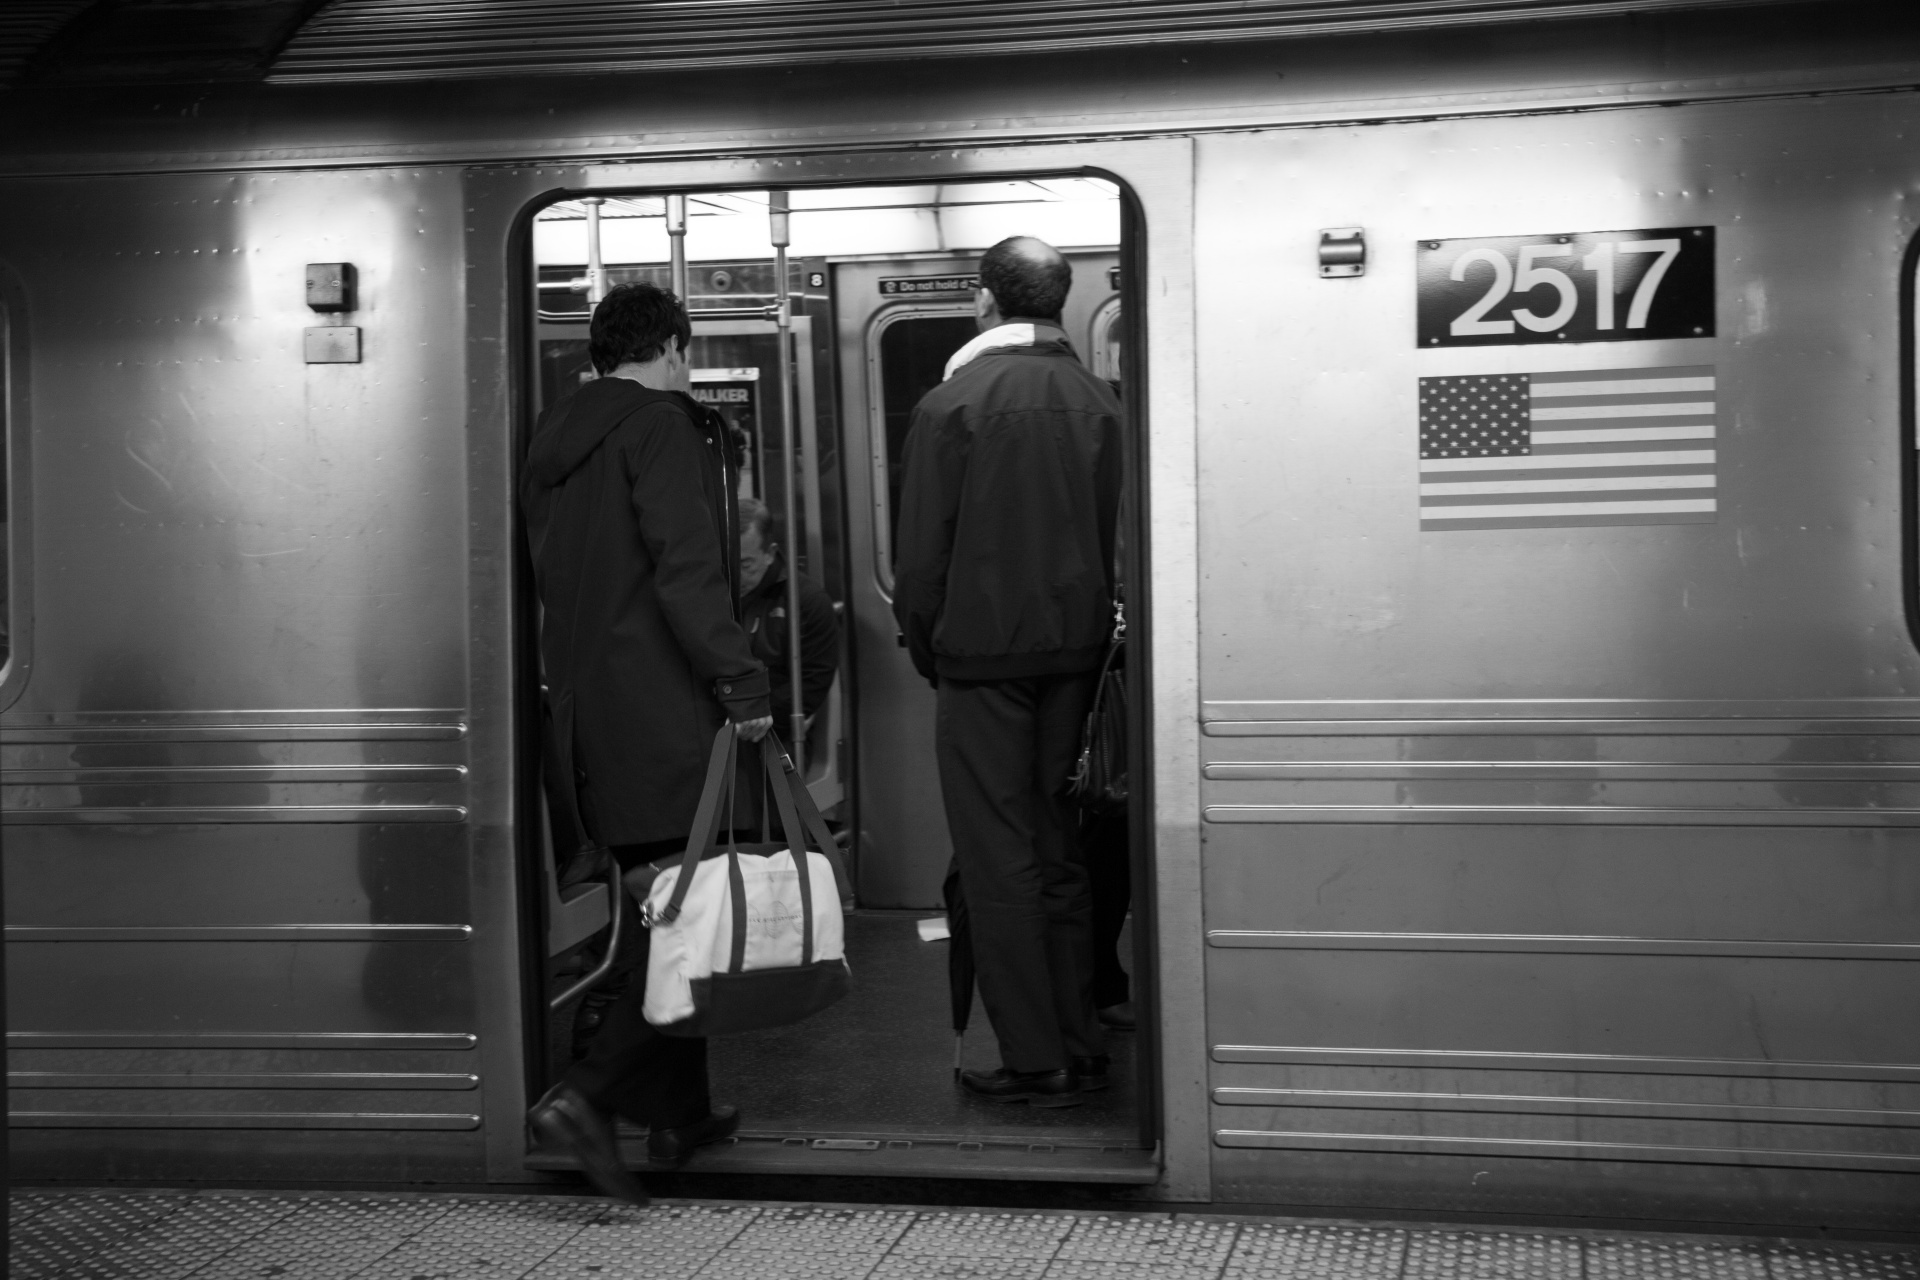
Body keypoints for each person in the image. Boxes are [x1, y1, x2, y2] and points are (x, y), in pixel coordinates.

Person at [521, 281, 773, 1204]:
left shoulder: (553, 444)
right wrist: (742, 683)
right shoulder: (664, 427)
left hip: (588, 719)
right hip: (664, 710)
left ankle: (678, 1114)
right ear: (672, 346)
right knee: (694, 912)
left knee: (669, 902)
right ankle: (584, 1098)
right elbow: (687, 569)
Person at [892, 236, 1123, 1108]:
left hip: (982, 668)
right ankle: (1082, 1033)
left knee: (998, 859)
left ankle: (1034, 1056)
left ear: (986, 301)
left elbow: (919, 567)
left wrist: (928, 648)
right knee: (1059, 845)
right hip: (1075, 663)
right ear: (1059, 303)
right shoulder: (1098, 402)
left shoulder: (952, 406)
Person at [737, 496, 840, 731]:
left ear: (770, 553)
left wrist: (755, 717)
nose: (736, 576)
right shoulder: (711, 596)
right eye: (727, 563)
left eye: (745, 565)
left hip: (776, 728)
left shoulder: (807, 603)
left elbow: (811, 685)